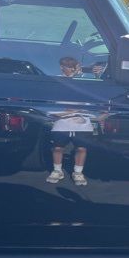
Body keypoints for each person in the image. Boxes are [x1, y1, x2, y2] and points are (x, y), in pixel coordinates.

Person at [46, 57, 93, 186]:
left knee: (82, 148)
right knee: (57, 147)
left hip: (82, 122)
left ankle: (78, 172)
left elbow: (91, 100)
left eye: (74, 66)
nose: (72, 69)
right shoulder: (56, 81)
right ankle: (57, 170)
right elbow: (51, 103)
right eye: (68, 66)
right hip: (62, 121)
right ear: (61, 67)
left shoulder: (85, 81)